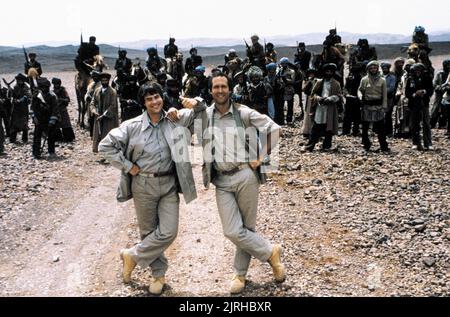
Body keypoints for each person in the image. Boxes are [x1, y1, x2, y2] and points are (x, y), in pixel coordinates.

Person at [172, 72, 285, 294]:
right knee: (232, 230)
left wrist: (261, 157)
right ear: (211, 91)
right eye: (216, 87)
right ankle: (271, 252)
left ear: (230, 89)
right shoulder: (204, 115)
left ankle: (240, 274)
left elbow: (275, 129)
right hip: (221, 181)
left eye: (224, 86)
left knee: (246, 228)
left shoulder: (243, 113)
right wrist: (172, 110)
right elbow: (178, 117)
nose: (220, 90)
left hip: (245, 176)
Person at [98, 83, 203, 295]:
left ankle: (132, 255)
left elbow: (201, 112)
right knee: (148, 232)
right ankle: (158, 275)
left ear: (162, 97)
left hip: (169, 184)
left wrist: (196, 102)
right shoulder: (132, 126)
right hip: (143, 185)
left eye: (157, 97)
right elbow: (104, 146)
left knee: (169, 231)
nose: (154, 102)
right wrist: (128, 166)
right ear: (143, 103)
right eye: (149, 99)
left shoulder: (176, 118)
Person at [302, 64, 342, 152]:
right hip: (320, 107)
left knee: (329, 127)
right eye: (327, 71)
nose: (328, 73)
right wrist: (318, 98)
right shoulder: (319, 82)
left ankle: (326, 146)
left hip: (330, 108)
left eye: (330, 72)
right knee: (316, 127)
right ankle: (310, 146)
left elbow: (339, 96)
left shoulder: (336, 83)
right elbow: (313, 94)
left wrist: (331, 98)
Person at [358, 61, 390, 152]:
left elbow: (384, 94)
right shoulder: (364, 80)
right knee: (365, 128)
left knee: (380, 128)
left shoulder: (382, 80)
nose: (373, 69)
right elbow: (360, 90)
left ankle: (383, 145)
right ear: (368, 69)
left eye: (375, 68)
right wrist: (360, 96)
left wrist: (384, 106)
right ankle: (366, 144)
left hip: (378, 107)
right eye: (371, 68)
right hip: (367, 106)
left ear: (377, 68)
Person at [405, 63, 434, 150]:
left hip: (424, 103)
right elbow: (407, 92)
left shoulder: (427, 78)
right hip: (414, 104)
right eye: (415, 71)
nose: (417, 73)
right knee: (415, 123)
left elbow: (431, 90)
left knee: (426, 123)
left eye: (419, 71)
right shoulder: (410, 79)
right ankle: (415, 142)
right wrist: (415, 94)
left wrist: (424, 92)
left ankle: (428, 143)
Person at [30, 78, 59, 159]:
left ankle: (51, 151)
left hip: (49, 119)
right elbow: (32, 108)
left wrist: (52, 120)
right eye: (42, 87)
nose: (44, 89)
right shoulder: (36, 96)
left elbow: (55, 109)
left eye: (45, 87)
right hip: (39, 119)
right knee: (37, 136)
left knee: (51, 136)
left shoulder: (52, 96)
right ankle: (36, 153)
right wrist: (34, 117)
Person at [90, 72, 119, 153]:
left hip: (108, 118)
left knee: (108, 135)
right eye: (103, 81)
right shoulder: (97, 91)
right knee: (98, 135)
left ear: (108, 81)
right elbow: (92, 102)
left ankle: (108, 152)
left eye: (106, 81)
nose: (104, 82)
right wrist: (94, 111)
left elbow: (113, 106)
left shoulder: (112, 92)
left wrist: (104, 115)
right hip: (98, 116)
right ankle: (99, 151)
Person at [10, 73, 31, 144]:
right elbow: (11, 96)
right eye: (18, 80)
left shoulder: (26, 87)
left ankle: (25, 139)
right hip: (16, 108)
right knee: (14, 123)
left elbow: (28, 96)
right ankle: (12, 139)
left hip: (23, 108)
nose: (19, 81)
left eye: (20, 80)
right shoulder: (14, 87)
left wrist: (22, 99)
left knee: (25, 123)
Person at [52, 78, 75, 142]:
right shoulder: (52, 92)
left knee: (66, 124)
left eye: (57, 84)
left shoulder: (63, 91)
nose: (56, 85)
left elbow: (68, 99)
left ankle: (68, 138)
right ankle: (58, 138)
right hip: (56, 110)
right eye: (55, 84)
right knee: (56, 126)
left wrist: (60, 100)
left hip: (63, 109)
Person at [278, 57, 296, 125]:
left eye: (284, 64)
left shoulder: (291, 71)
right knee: (281, 105)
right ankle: (281, 120)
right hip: (281, 89)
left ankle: (289, 119)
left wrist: (285, 79)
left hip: (289, 90)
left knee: (290, 105)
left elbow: (292, 81)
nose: (282, 65)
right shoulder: (279, 70)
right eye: (282, 64)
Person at [381, 62, 397, 137]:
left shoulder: (392, 77)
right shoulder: (379, 76)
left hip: (389, 98)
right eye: (383, 68)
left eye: (386, 68)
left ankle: (389, 132)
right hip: (380, 98)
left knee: (388, 115)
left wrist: (381, 91)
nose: (385, 69)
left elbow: (391, 88)